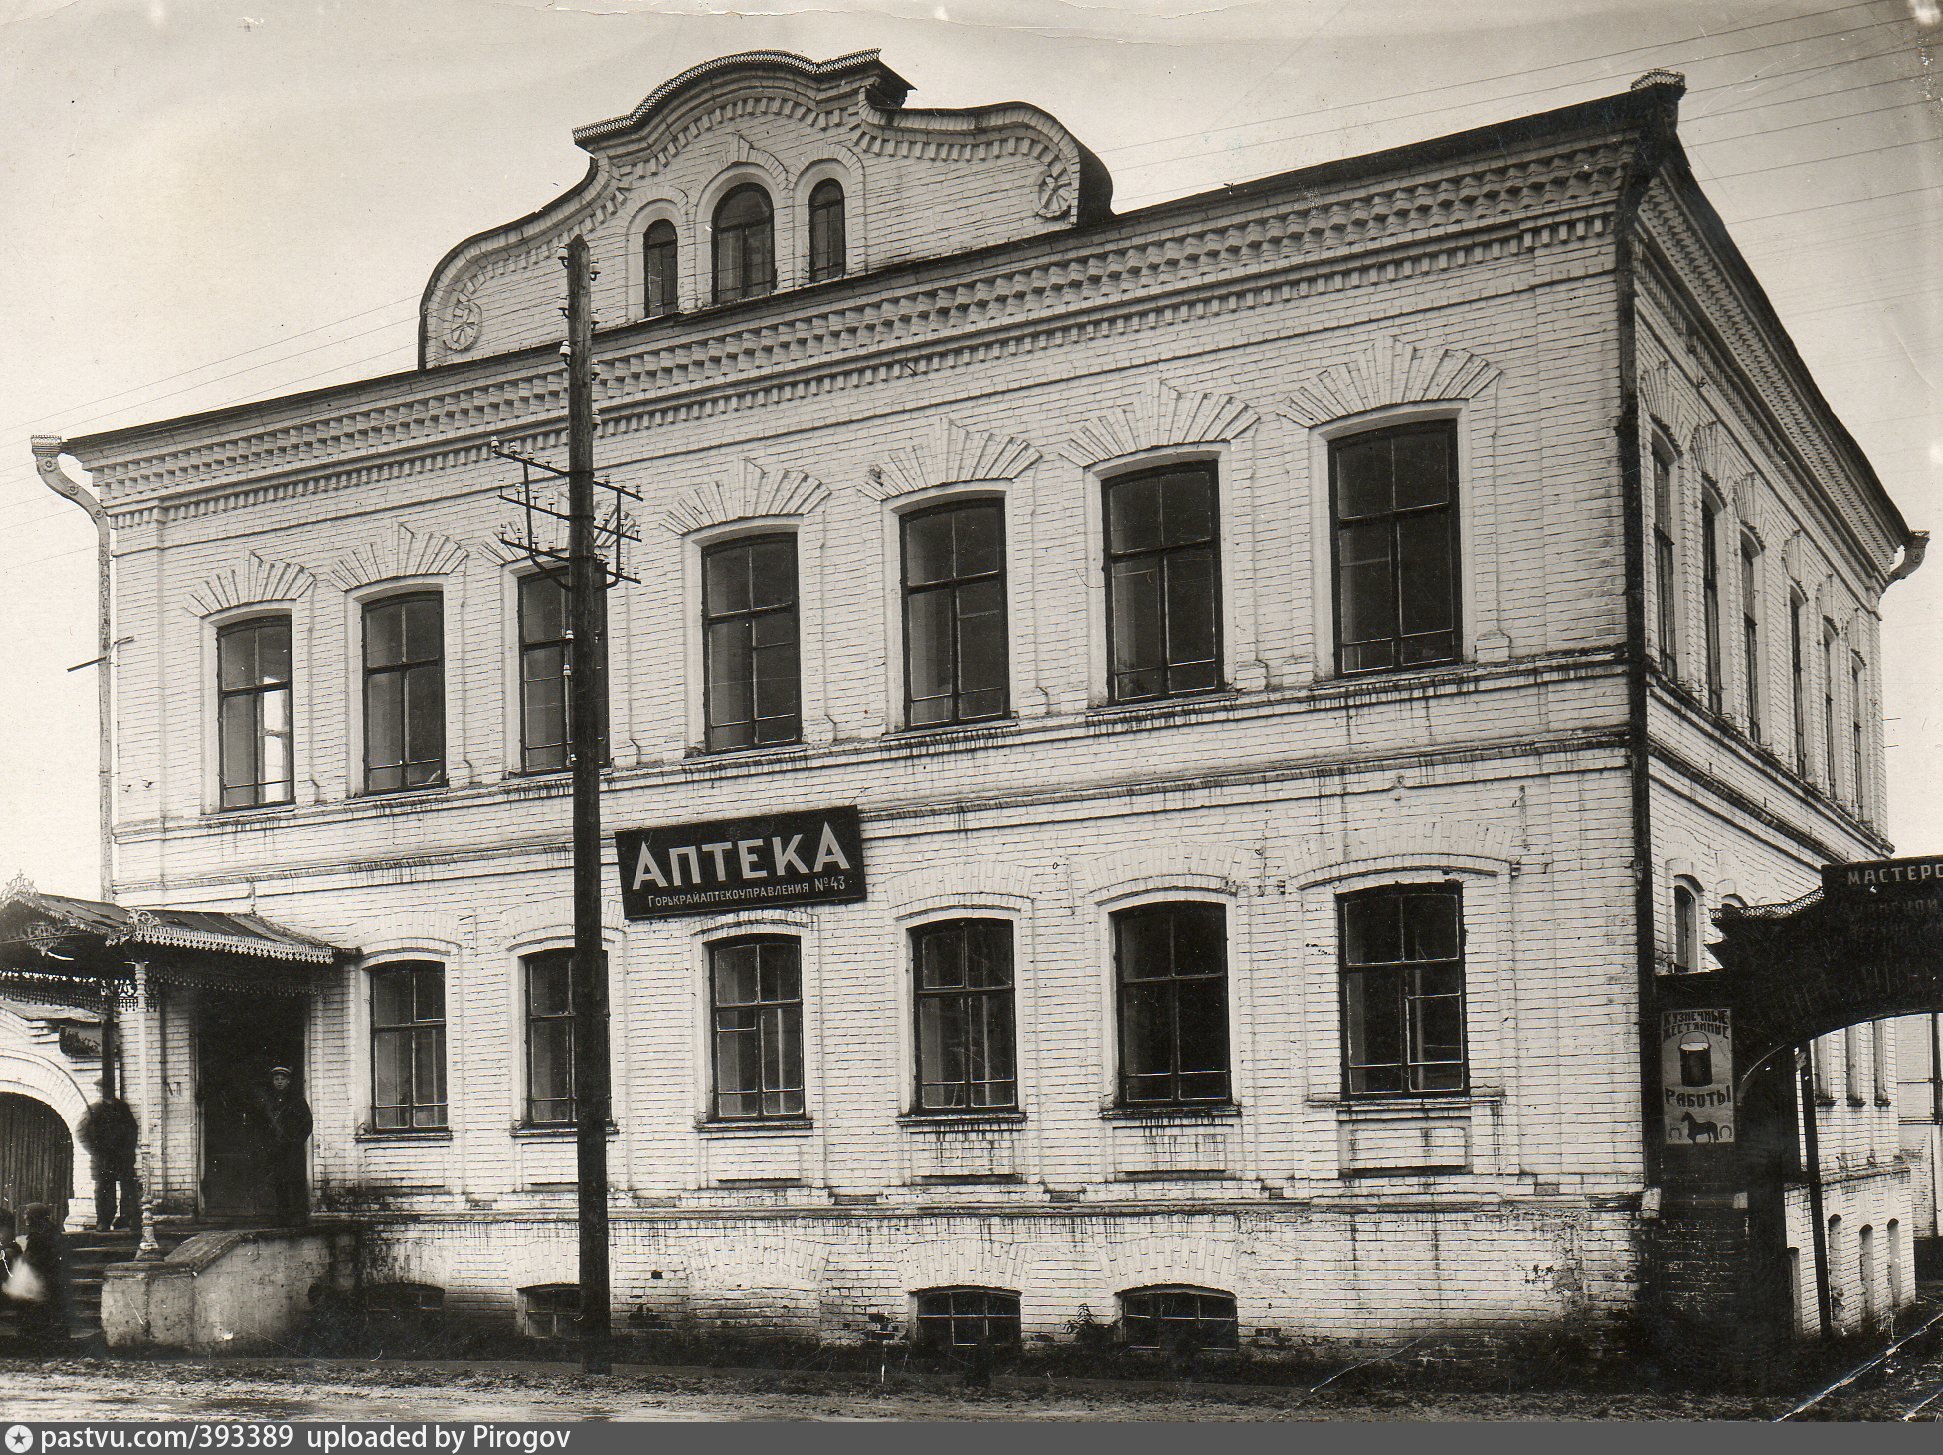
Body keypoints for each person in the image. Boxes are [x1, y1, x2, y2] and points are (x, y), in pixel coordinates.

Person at [77, 1088, 141, 1232]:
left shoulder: (123, 1109)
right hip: (103, 1158)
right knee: (104, 1190)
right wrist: (96, 1151)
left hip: (122, 1156)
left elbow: (133, 1129)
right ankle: (104, 1221)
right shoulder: (94, 1109)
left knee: (128, 1187)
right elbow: (81, 1132)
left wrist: (129, 1149)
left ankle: (127, 1219)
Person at [255, 1066, 312, 1225]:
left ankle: (300, 1216)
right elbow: (262, 1124)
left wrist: (297, 1140)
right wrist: (268, 1142)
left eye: (282, 1079)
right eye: (276, 1079)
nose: (279, 1082)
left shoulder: (297, 1100)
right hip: (276, 1148)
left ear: (288, 1081)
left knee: (296, 1180)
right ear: (273, 1082)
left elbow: (307, 1123)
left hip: (293, 1148)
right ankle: (283, 1217)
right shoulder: (269, 1102)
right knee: (279, 1181)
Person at [16, 1204, 67, 1351]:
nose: (25, 1216)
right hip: (44, 1275)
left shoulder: (42, 1234)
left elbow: (44, 1256)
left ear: (36, 1216)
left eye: (28, 1213)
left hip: (46, 1277)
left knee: (38, 1309)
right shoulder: (45, 1230)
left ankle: (36, 1343)